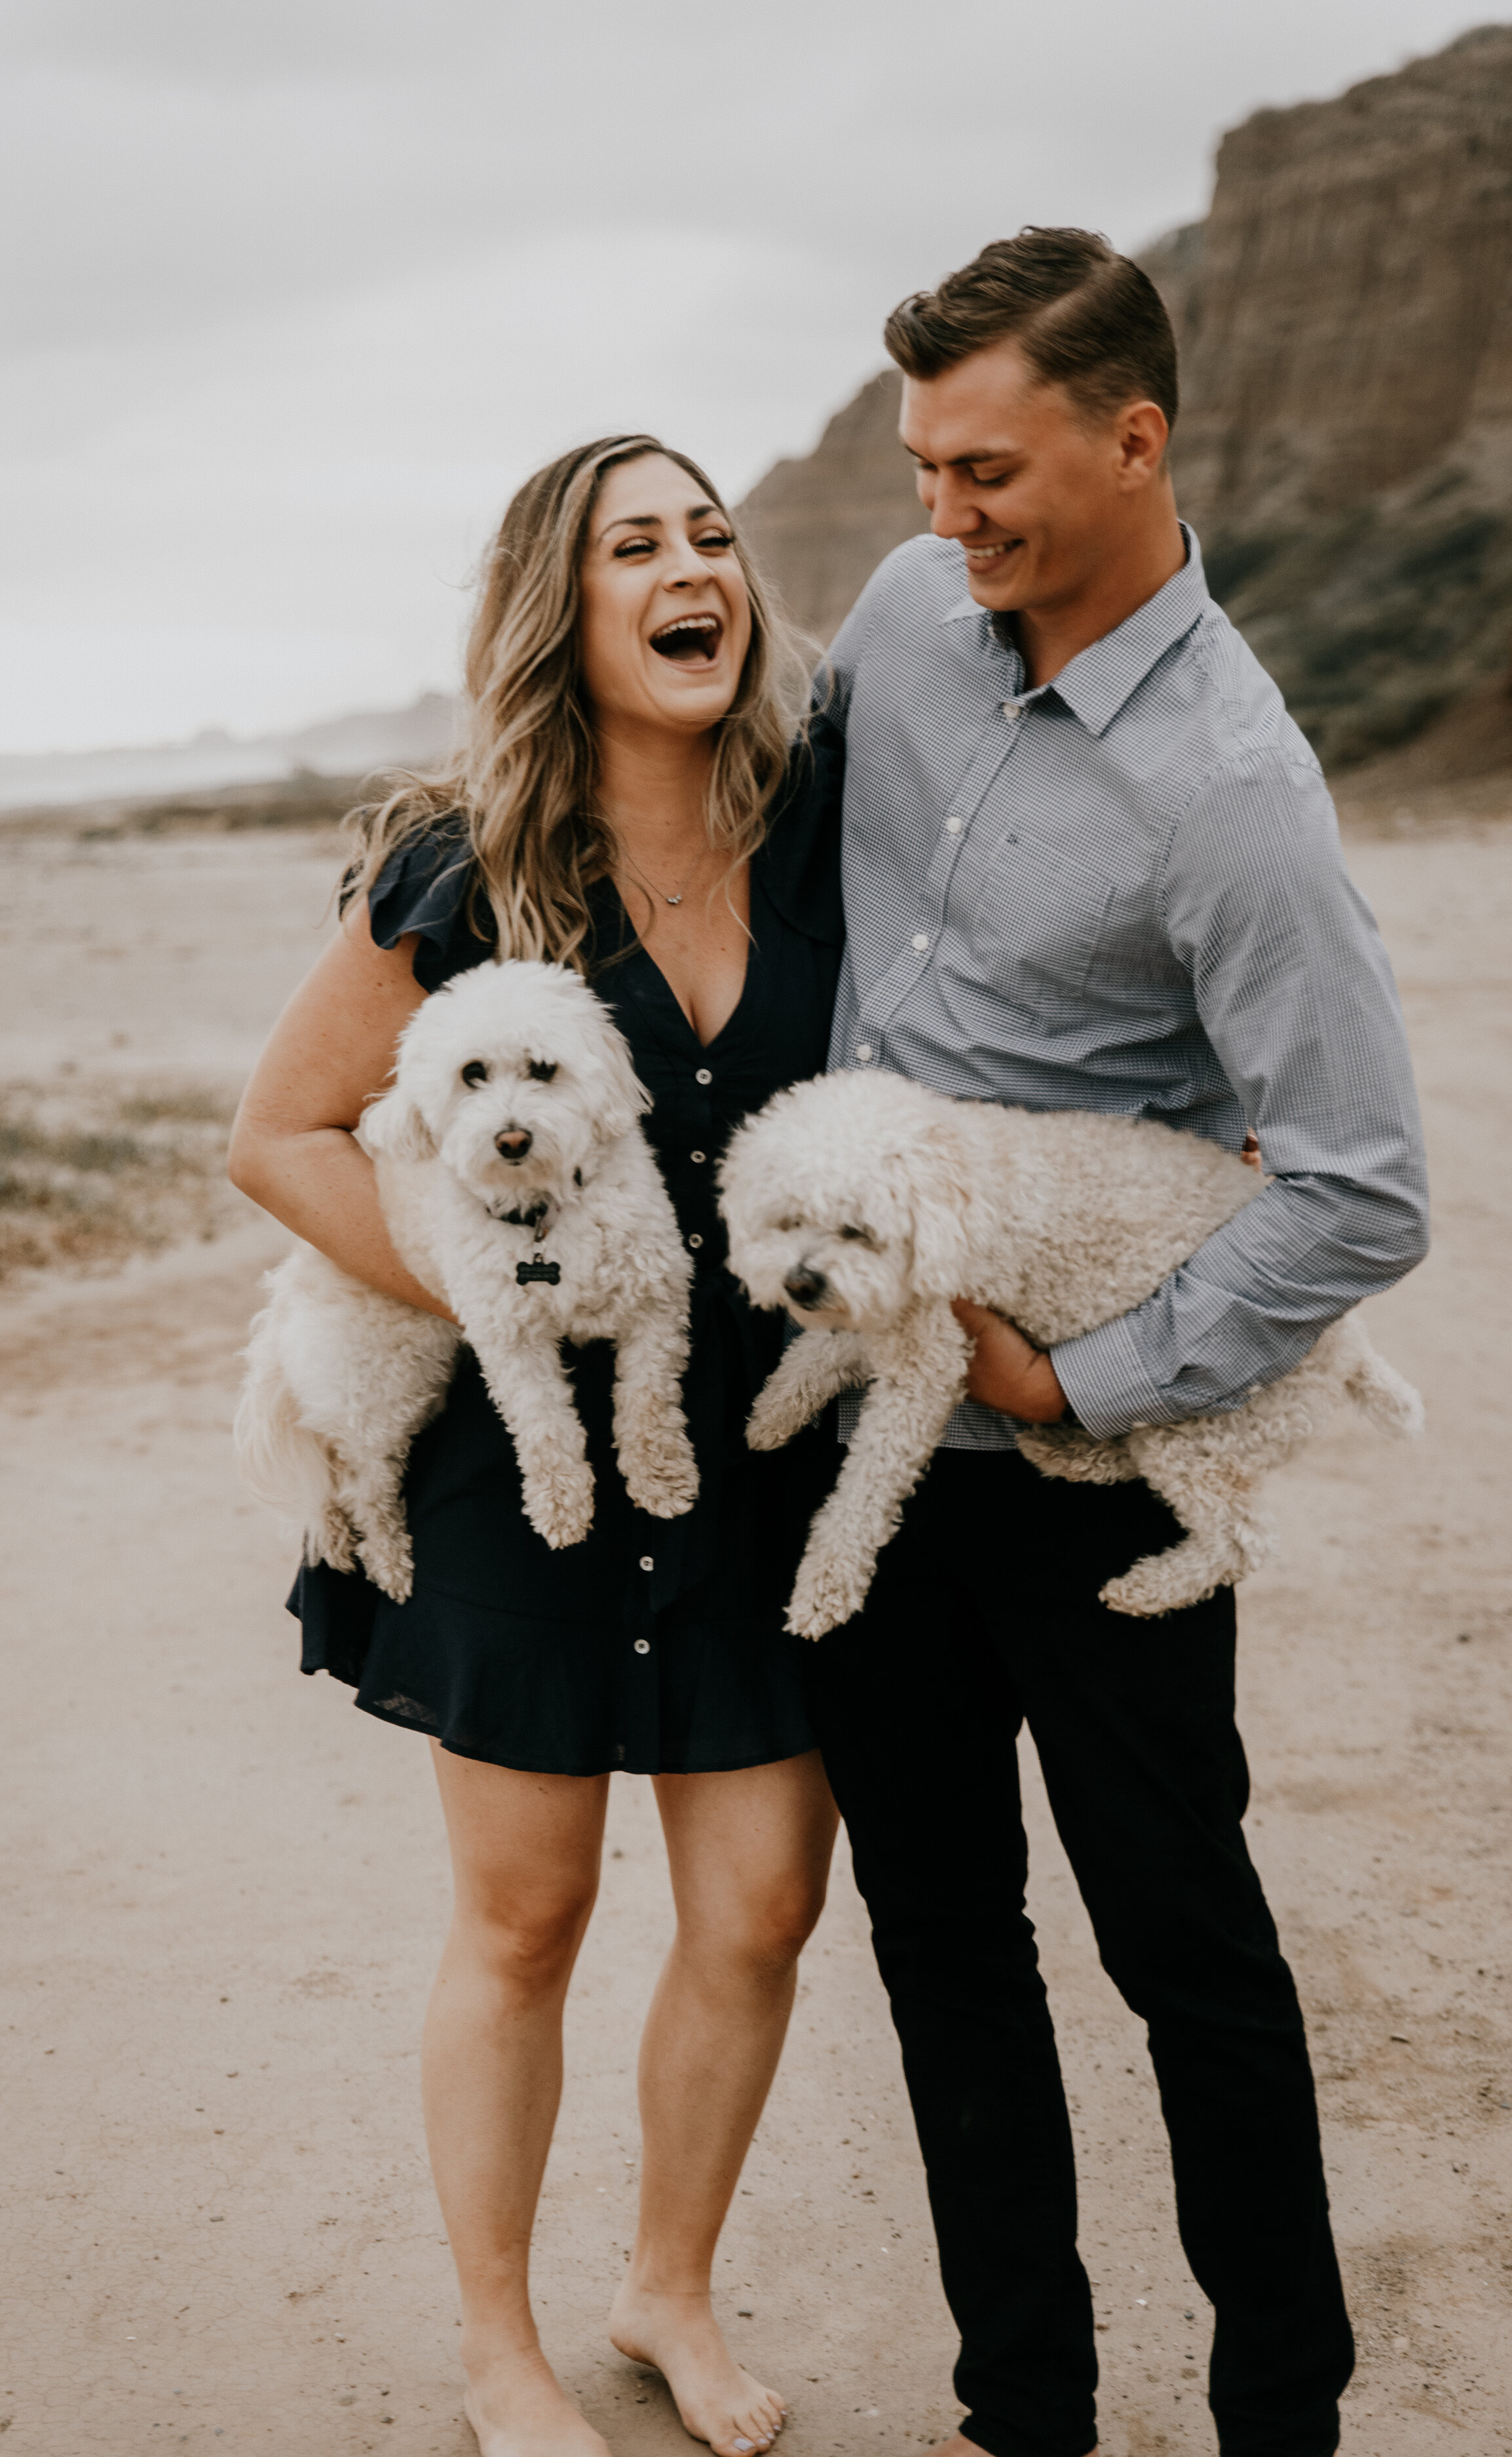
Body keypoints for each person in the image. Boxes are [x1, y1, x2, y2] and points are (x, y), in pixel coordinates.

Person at [804, 230, 1429, 2457]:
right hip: (856, 1455)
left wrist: (1080, 1385)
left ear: (1132, 438)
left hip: (1079, 1471)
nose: (942, 514)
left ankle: (1283, 2416)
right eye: (920, 467)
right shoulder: (896, 616)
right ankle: (1025, 2414)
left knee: (1185, 1957)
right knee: (942, 1955)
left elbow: (1363, 1181)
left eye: (983, 470)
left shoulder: (1233, 795)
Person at [228, 435, 845, 2457]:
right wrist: (488, 1304)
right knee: (524, 1917)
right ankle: (502, 2349)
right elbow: (281, 1134)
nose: (694, 570)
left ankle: (665, 2290)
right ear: (559, 609)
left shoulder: (826, 830)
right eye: (633, 544)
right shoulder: (463, 867)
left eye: (711, 536)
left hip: (747, 1449)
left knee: (757, 1908)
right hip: (515, 1468)